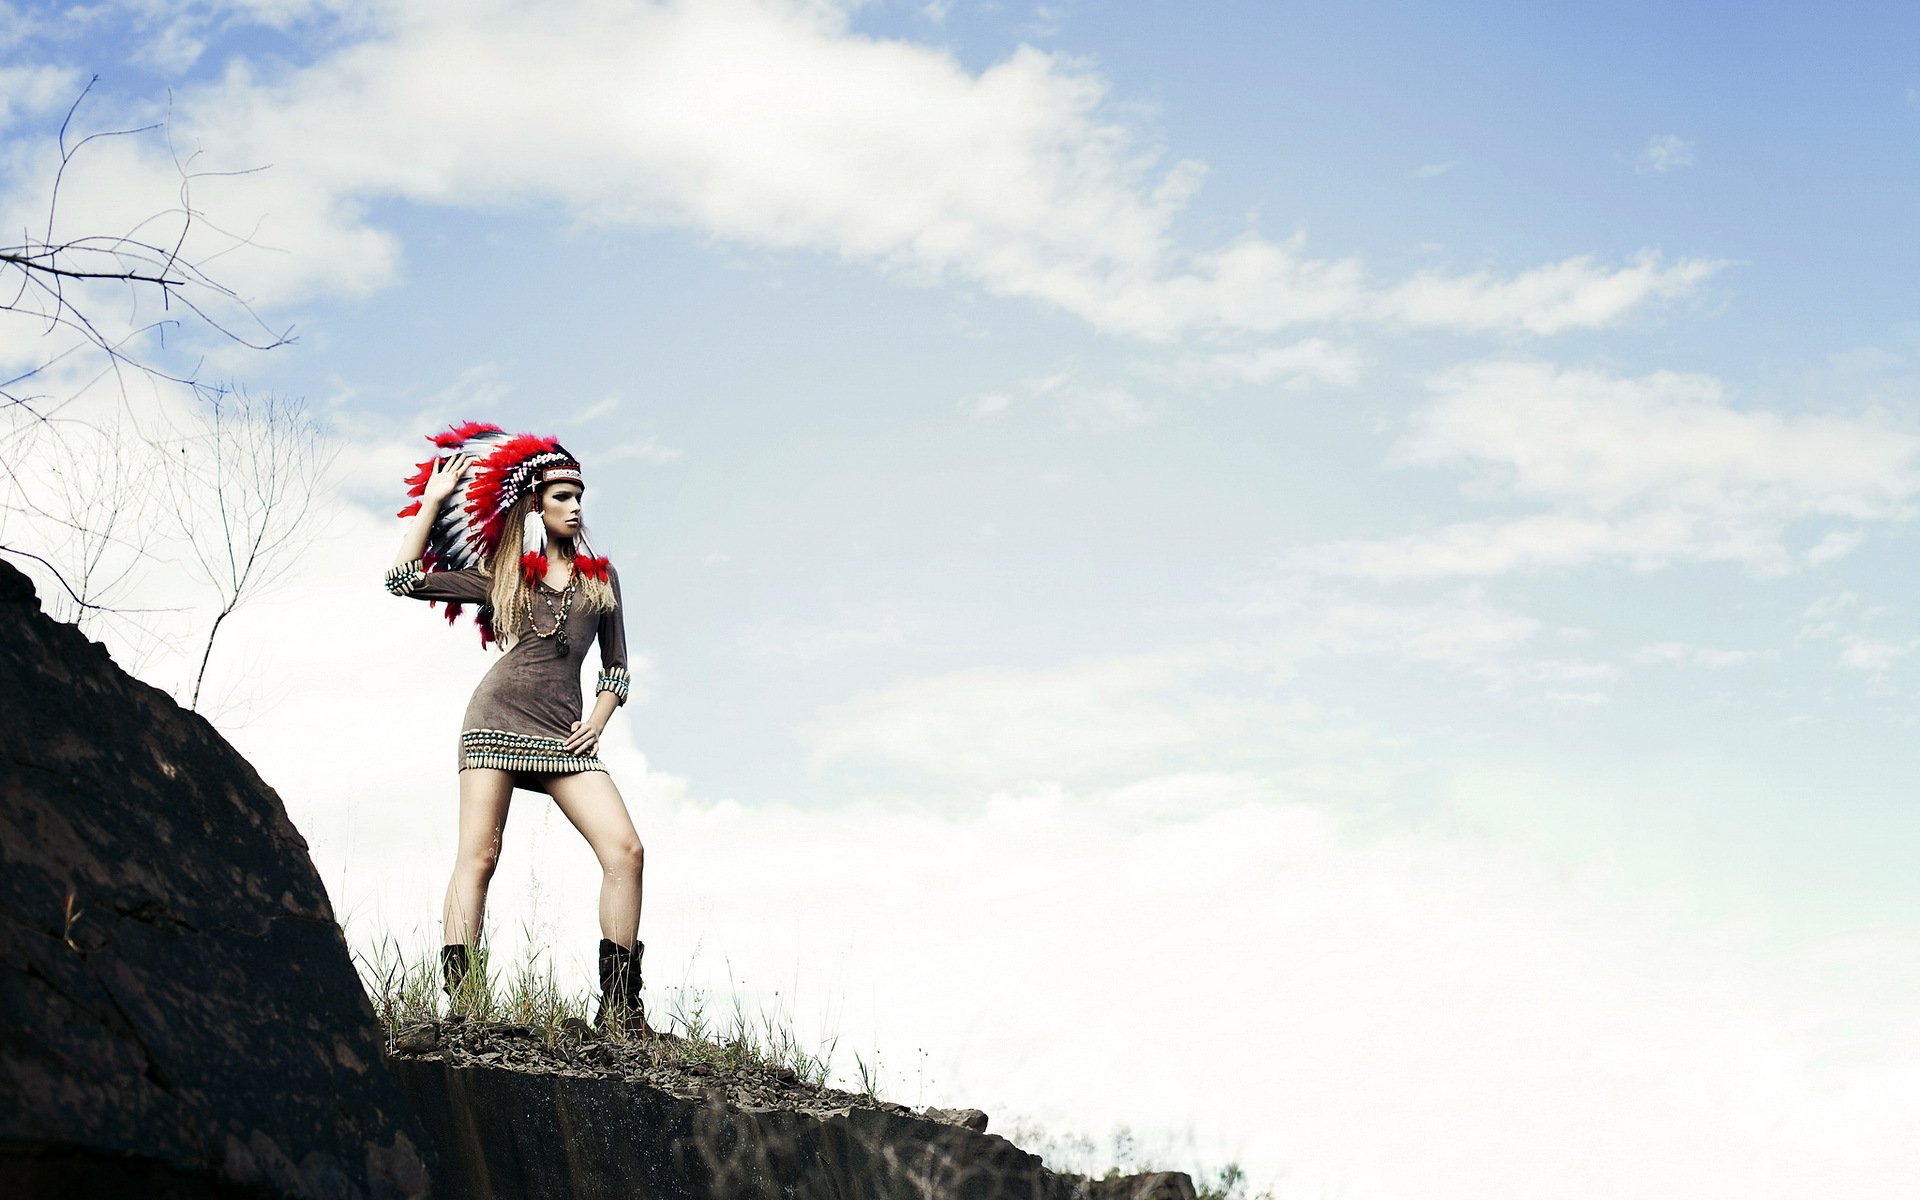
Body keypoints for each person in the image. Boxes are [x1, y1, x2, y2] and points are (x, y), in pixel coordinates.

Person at [383, 421, 649, 1035]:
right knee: (479, 855)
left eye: (580, 496)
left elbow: (618, 668)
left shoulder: (600, 580)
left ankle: (619, 1008)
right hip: (494, 722)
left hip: (565, 734)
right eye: (562, 496)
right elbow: (401, 581)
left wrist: (598, 720)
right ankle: (465, 1003)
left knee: (626, 851)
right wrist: (430, 504)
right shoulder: (506, 577)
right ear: (536, 504)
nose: (575, 506)